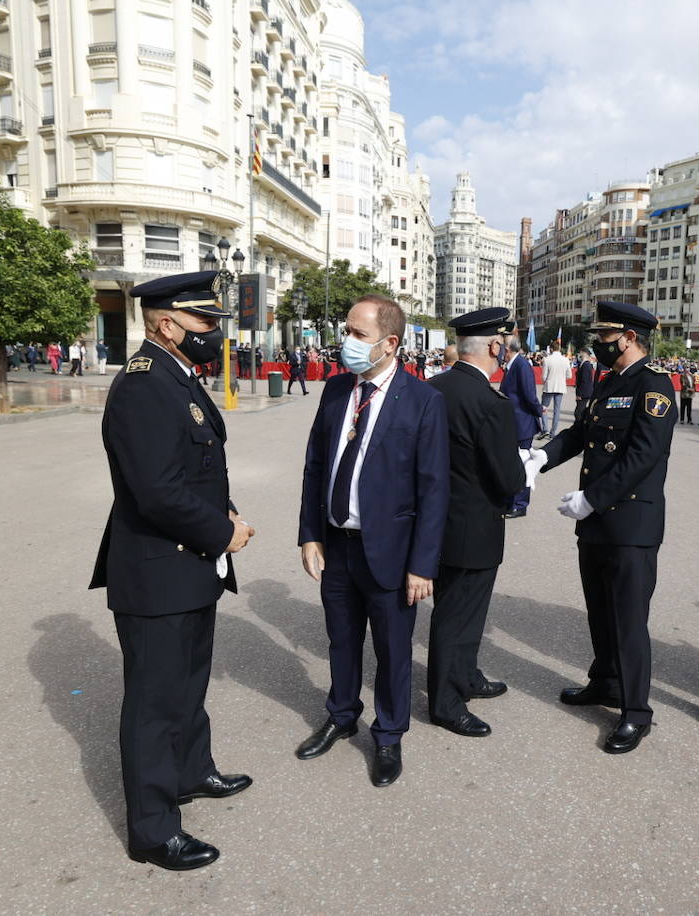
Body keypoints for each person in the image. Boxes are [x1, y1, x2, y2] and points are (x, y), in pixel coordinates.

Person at [89, 270, 255, 870]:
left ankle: (191, 771)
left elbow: (199, 467)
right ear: (167, 324)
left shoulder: (176, 376)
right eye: (204, 322)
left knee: (188, 684)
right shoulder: (142, 386)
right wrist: (223, 532)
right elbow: (157, 492)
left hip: (189, 565)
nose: (214, 333)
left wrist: (225, 510)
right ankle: (154, 830)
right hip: (159, 569)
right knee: (154, 704)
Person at [295, 294, 449, 788]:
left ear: (390, 343)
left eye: (358, 335)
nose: (348, 343)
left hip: (391, 551)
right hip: (336, 545)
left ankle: (388, 735)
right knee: (341, 640)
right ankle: (341, 715)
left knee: (392, 649)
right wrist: (310, 534)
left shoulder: (424, 401)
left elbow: (434, 488)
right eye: (348, 331)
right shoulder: (336, 390)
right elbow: (316, 465)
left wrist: (423, 566)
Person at [524, 301, 677, 755]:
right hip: (596, 524)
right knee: (600, 609)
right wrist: (542, 457)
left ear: (629, 338)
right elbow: (582, 432)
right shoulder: (611, 381)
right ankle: (605, 682)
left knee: (629, 619)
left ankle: (635, 712)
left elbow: (643, 455)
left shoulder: (654, 387)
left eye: (605, 338)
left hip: (630, 522)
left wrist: (593, 498)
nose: (598, 345)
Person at [426, 308, 528, 738]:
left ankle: (465, 675)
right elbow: (507, 477)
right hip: (475, 525)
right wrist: (522, 474)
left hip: (437, 522)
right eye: (503, 343)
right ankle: (447, 702)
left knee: (461, 611)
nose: (504, 349)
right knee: (458, 616)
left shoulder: (431, 388)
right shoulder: (490, 402)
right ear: (492, 346)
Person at [500, 337, 544, 516]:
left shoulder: (522, 365)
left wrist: (539, 410)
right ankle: (512, 501)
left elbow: (529, 395)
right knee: (513, 464)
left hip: (523, 424)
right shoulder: (513, 365)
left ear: (509, 350)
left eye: (503, 349)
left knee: (523, 464)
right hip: (514, 423)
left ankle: (520, 504)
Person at [542, 342, 570, 438]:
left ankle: (545, 428)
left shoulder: (547, 359)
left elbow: (544, 376)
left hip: (549, 386)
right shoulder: (565, 360)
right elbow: (569, 375)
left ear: (551, 349)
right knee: (557, 410)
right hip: (560, 386)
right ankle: (552, 432)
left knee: (544, 407)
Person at [573, 348, 597, 420]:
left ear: (583, 353)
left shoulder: (586, 365)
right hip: (584, 392)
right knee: (579, 411)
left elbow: (584, 381)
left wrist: (579, 394)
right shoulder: (583, 363)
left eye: (581, 352)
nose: (580, 354)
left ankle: (579, 427)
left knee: (578, 412)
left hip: (584, 393)